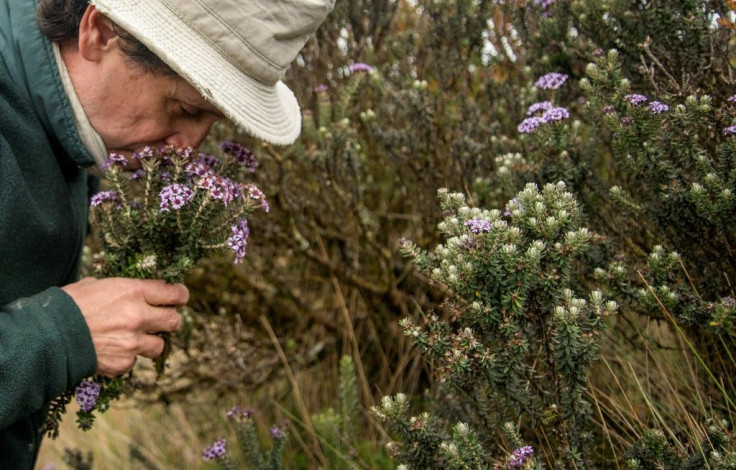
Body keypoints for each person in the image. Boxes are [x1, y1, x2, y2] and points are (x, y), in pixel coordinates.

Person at [0, 0, 335, 467]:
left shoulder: (69, 133)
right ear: (98, 31)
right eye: (181, 107)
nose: (188, 147)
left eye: (210, 121)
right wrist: (61, 334)